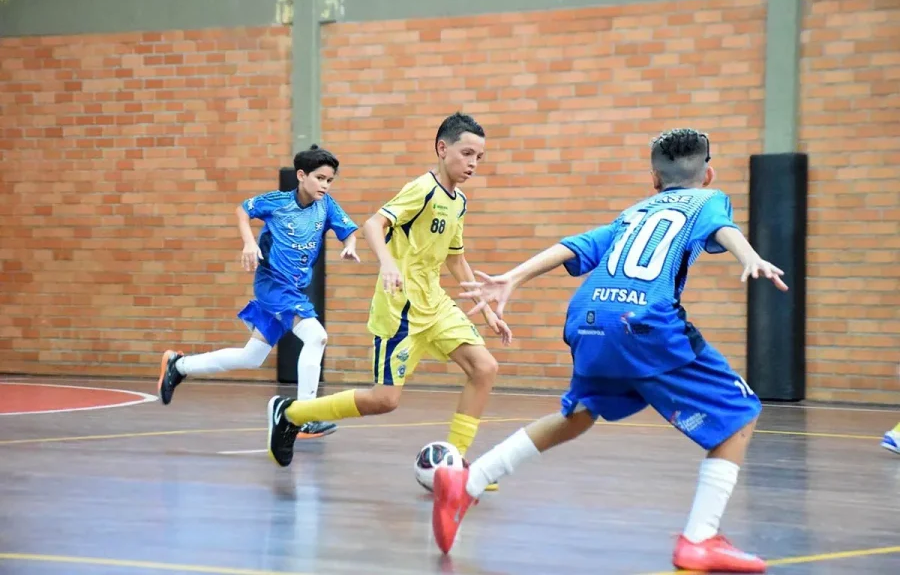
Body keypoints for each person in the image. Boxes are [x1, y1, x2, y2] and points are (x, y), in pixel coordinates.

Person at [431, 128, 788, 573]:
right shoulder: (708, 199)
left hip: (589, 315)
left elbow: (574, 246)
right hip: (644, 322)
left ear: (654, 180)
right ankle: (700, 538)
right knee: (741, 413)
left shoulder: (634, 211)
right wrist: (749, 255)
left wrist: (513, 277)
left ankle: (468, 481)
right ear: (708, 173)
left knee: (576, 416)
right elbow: (722, 226)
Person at [265, 112, 512, 482]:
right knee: (385, 401)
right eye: (467, 154)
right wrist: (387, 264)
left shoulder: (458, 201)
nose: (473, 164)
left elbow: (455, 258)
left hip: (436, 303)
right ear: (443, 149)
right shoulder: (422, 189)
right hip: (400, 309)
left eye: (479, 157)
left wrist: (487, 310)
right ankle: (291, 413)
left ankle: (455, 463)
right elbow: (372, 224)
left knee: (485, 368)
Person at [158, 144, 360, 439]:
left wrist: (350, 245)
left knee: (251, 357)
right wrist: (249, 242)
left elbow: (349, 229)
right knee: (317, 336)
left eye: (330, 180)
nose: (325, 185)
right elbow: (242, 210)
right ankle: (304, 416)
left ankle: (179, 365)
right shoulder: (277, 202)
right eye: (320, 178)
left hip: (292, 290)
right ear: (302, 176)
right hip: (272, 285)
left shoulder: (326, 206)